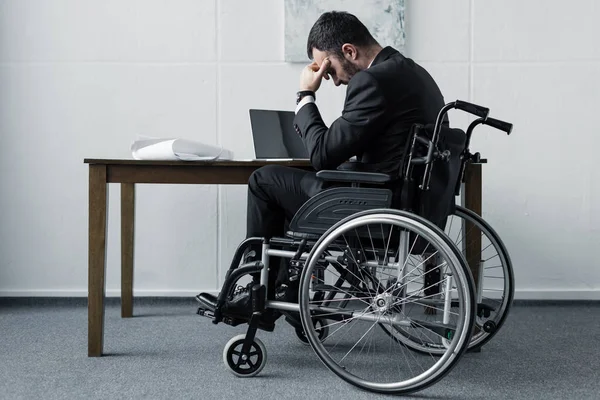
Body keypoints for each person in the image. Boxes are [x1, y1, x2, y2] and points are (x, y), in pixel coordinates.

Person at [196, 11, 448, 327]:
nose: (332, 79)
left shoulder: (371, 81)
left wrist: (305, 96)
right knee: (290, 191)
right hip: (405, 200)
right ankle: (286, 291)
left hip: (375, 206)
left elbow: (322, 154)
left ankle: (261, 293)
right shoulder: (413, 73)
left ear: (349, 51)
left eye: (327, 69)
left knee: (264, 181)